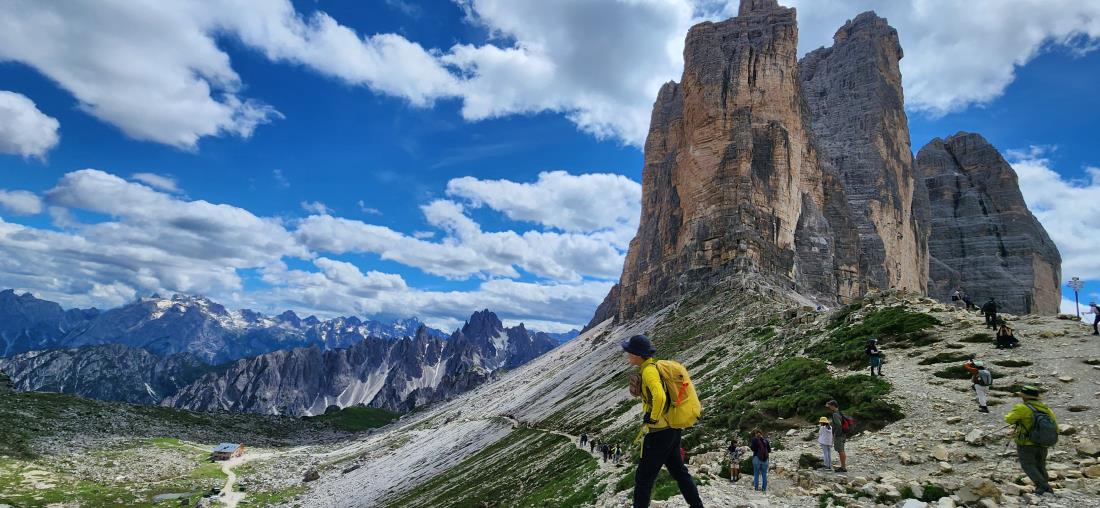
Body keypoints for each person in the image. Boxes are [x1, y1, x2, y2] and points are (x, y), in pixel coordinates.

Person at [620, 334, 704, 508]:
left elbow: (659, 396)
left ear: (636, 354)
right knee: (680, 473)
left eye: (629, 352)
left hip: (658, 433)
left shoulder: (649, 371)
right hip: (671, 430)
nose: (627, 355)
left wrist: (652, 418)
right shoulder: (652, 367)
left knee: (643, 479)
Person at [1004, 386, 1059, 496]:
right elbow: (1056, 427)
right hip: (1043, 442)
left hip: (1026, 442)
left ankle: (1043, 486)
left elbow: (1008, 419)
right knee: (1040, 464)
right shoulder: (1047, 410)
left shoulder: (1022, 408)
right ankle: (1044, 487)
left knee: (1027, 464)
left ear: (1024, 396)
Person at [826, 400, 849, 472]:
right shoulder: (840, 413)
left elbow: (838, 425)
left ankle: (843, 467)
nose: (829, 408)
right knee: (842, 450)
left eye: (830, 406)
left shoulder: (835, 414)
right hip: (843, 434)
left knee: (840, 450)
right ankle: (843, 466)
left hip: (839, 435)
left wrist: (836, 434)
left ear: (833, 406)